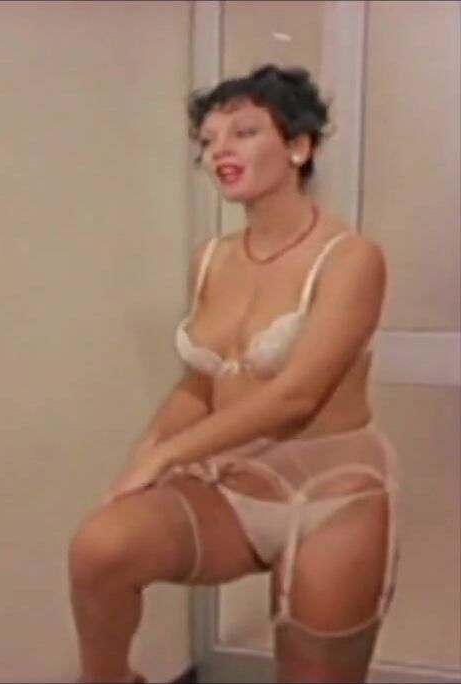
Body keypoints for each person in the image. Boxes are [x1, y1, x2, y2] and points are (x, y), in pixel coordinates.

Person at [68, 64, 397, 683]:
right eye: (210, 139)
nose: (220, 150)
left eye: (244, 132)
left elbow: (296, 397)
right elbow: (201, 383)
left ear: (299, 147)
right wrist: (139, 463)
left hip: (332, 496)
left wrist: (167, 457)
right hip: (234, 487)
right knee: (101, 546)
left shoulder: (351, 258)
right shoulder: (211, 259)